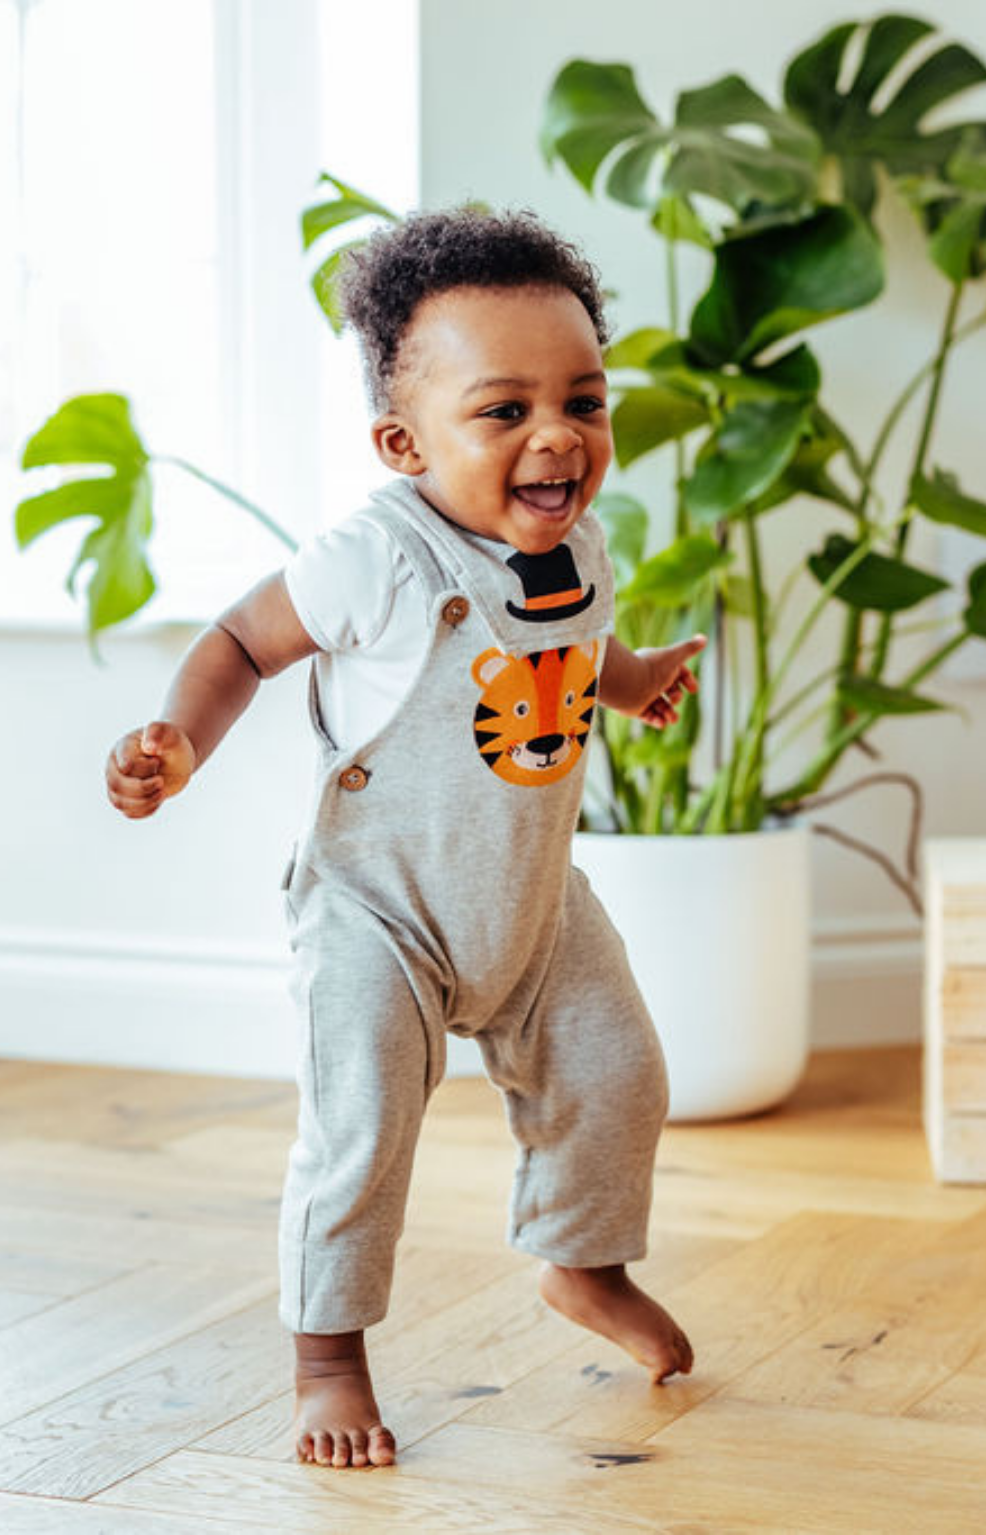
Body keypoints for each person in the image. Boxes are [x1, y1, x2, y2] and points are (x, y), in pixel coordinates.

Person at [105, 208, 706, 1471]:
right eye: (504, 411)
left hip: (533, 902)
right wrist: (176, 739)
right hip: (380, 909)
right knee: (365, 1123)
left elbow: (566, 647)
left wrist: (633, 675)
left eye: (583, 399)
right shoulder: (373, 554)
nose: (558, 435)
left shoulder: (574, 538)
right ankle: (329, 1353)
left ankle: (583, 1263)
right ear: (403, 440)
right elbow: (237, 641)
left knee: (621, 1072)